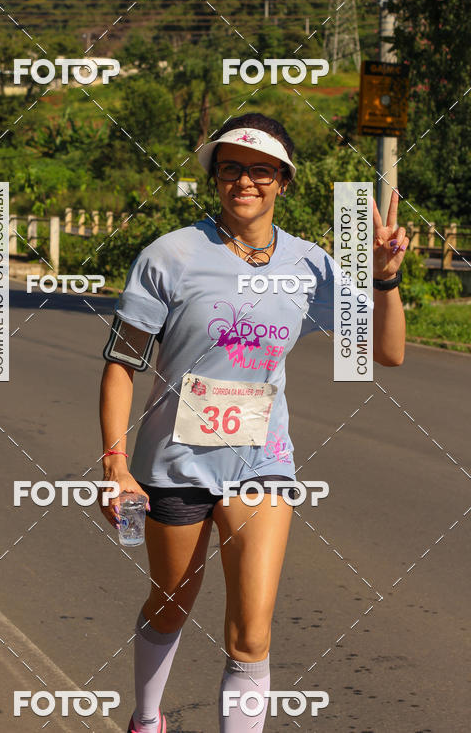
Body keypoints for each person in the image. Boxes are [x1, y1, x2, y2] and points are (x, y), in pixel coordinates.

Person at [98, 113, 408, 733]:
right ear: (215, 178)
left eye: (260, 169)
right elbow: (122, 363)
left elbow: (388, 350)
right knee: (170, 604)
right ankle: (148, 717)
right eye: (232, 167)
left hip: (262, 463)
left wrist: (383, 279)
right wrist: (115, 464)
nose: (245, 180)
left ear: (283, 182)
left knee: (251, 632)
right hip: (174, 465)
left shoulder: (309, 264)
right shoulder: (171, 255)